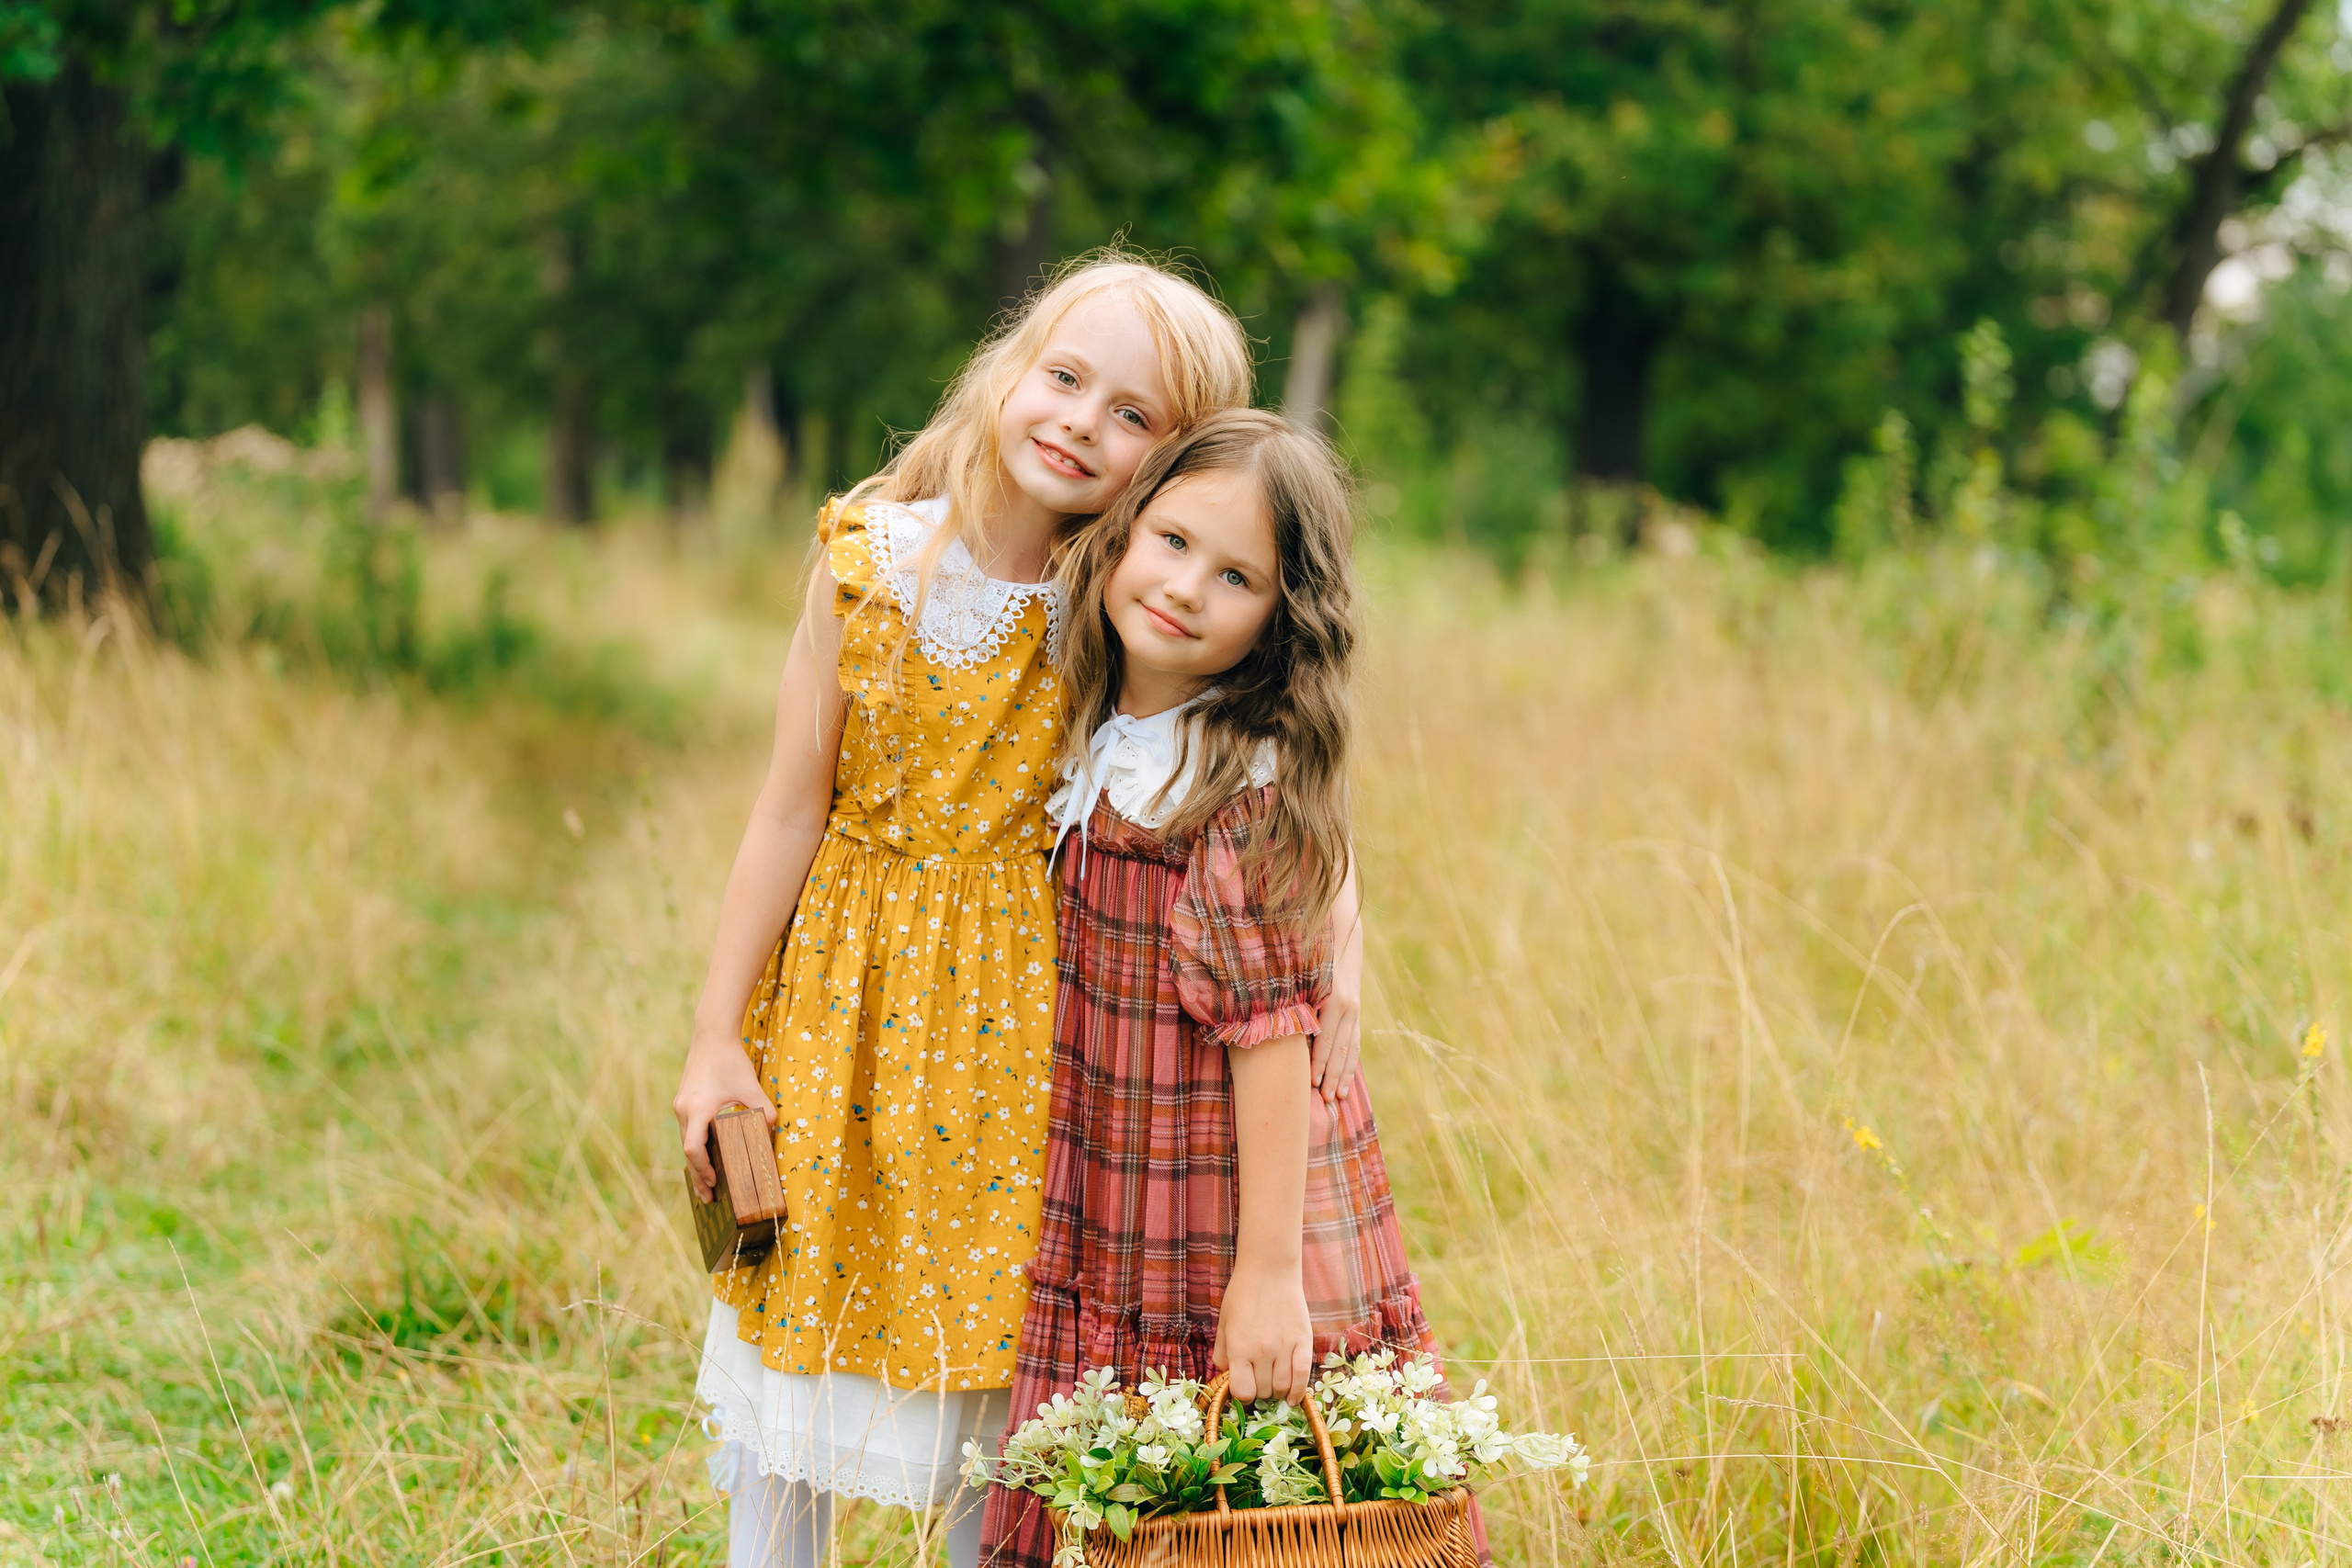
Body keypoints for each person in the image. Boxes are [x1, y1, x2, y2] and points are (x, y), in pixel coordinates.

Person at [671, 255, 1254, 1568]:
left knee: (1004, 1373)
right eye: (1065, 378)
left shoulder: (1121, 613)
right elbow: (785, 808)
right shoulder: (869, 559)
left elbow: (1243, 784)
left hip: (1023, 1038)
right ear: (1011, 367)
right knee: (796, 1356)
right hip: (841, 1012)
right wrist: (717, 1035)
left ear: (1172, 463)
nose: (1080, 423)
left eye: (1132, 416)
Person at [982, 410, 1438, 1568]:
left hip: (1216, 1212)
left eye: (1235, 577)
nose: (1185, 588)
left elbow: (1268, 1046)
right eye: (1173, 542)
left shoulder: (1229, 793)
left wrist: (1269, 1279)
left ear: (1281, 626)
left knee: (1232, 1500)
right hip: (1114, 1191)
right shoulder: (1096, 724)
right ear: (1124, 530)